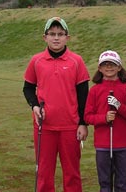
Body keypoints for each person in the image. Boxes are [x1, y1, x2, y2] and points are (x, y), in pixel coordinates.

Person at [23, 17, 90, 192]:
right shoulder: (36, 61)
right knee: (44, 174)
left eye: (60, 34)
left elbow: (83, 96)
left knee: (72, 174)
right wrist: (35, 106)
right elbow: (28, 88)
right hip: (44, 127)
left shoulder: (77, 61)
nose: (56, 38)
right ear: (44, 37)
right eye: (52, 34)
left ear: (67, 37)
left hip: (70, 126)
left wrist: (83, 123)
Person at [84, 50, 126, 192]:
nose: (109, 67)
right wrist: (104, 118)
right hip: (103, 144)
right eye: (105, 64)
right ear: (100, 68)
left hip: (123, 144)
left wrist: (119, 106)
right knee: (105, 183)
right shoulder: (95, 90)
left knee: (122, 183)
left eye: (113, 64)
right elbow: (88, 116)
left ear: (119, 67)